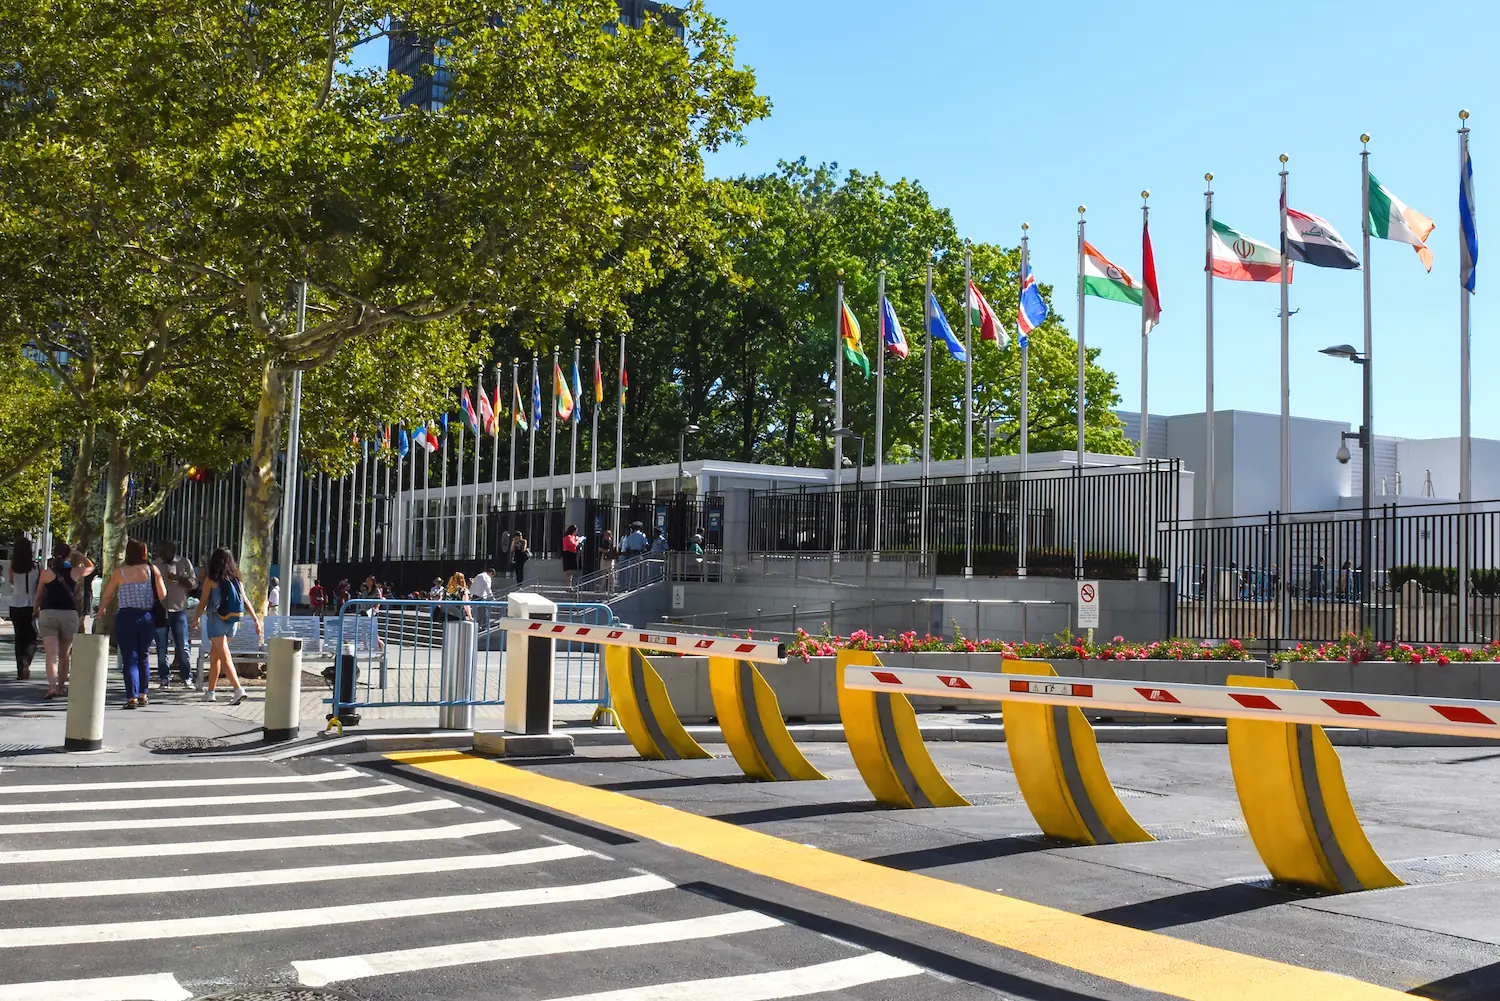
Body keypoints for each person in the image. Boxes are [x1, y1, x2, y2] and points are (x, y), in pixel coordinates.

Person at [98, 538, 167, 709]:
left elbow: (108, 594)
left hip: (126, 617)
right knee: (144, 656)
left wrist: (102, 609)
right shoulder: (152, 570)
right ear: (144, 553)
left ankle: (132, 697)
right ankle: (144, 694)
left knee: (129, 658)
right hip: (146, 617)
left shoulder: (119, 573)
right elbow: (163, 594)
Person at [190, 547, 262, 704]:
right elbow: (245, 600)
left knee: (225, 656)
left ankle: (238, 689)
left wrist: (195, 619)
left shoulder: (211, 580)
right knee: (216, 656)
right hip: (233, 623)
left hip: (216, 621)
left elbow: (202, 602)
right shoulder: (236, 579)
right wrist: (256, 620)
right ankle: (210, 692)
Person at [34, 541, 95, 700]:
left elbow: (39, 595)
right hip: (69, 615)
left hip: (48, 614)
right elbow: (91, 567)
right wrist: (78, 554)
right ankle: (61, 686)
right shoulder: (74, 572)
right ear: (68, 555)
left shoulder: (46, 573)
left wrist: (35, 610)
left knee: (50, 655)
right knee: (64, 654)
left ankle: (52, 687)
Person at [152, 540, 196, 689]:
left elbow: (194, 584)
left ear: (173, 551)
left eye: (165, 552)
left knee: (183, 645)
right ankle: (164, 678)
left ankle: (186, 677)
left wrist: (179, 579)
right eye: (160, 552)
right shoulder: (155, 565)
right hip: (160, 610)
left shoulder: (184, 562)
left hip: (178, 610)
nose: (162, 555)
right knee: (161, 647)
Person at [7, 537, 38, 681]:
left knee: (19, 637)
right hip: (31, 605)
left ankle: (20, 668)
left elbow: (12, 581)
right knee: (31, 637)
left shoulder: (13, 567)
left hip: (15, 604)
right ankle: (27, 662)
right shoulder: (36, 567)